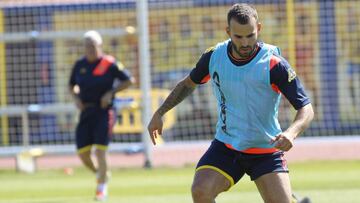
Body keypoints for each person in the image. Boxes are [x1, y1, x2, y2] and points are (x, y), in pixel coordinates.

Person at [148, 3, 314, 203]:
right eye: (238, 37)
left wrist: (291, 133)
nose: (245, 43)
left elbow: (306, 108)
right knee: (200, 191)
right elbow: (187, 84)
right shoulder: (214, 57)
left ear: (259, 29)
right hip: (227, 146)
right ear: (228, 32)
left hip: (265, 149)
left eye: (250, 35)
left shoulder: (274, 64)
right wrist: (160, 112)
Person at [69, 30, 134, 201]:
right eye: (87, 46)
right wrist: (76, 98)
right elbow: (71, 85)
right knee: (83, 152)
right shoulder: (79, 65)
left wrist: (110, 93)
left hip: (104, 111)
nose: (90, 49)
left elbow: (129, 80)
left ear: (100, 46)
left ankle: (101, 188)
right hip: (86, 112)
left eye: (93, 45)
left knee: (100, 150)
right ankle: (102, 174)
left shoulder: (109, 63)